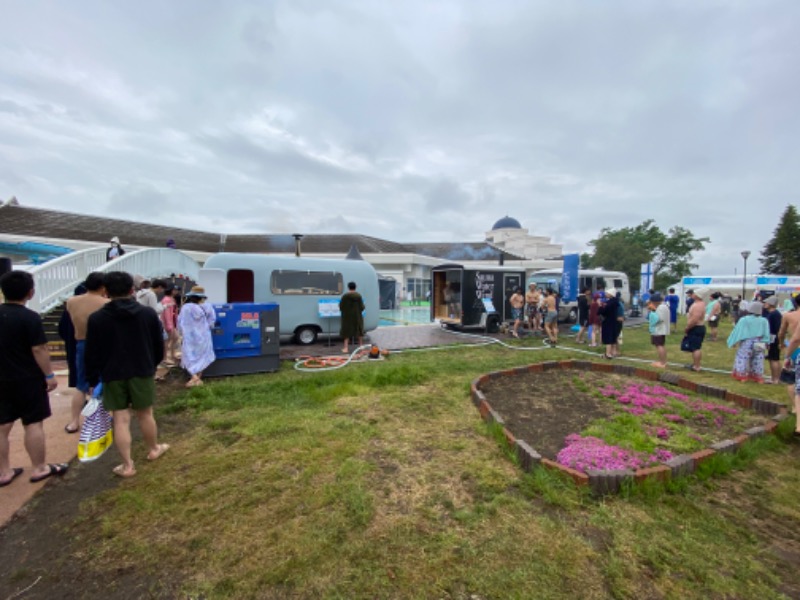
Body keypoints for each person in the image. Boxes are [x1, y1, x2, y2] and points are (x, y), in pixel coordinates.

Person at [85, 271, 168, 478]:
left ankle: (127, 465)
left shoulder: (96, 319)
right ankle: (153, 449)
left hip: (112, 373)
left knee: (120, 418)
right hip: (142, 369)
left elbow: (92, 352)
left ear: (106, 291)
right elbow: (158, 346)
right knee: (145, 413)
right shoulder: (148, 314)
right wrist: (153, 364)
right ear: (132, 290)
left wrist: (93, 378)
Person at [0, 271, 68, 486]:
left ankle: (4, 472)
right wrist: (49, 375)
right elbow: (39, 349)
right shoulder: (30, 318)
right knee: (33, 424)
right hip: (27, 379)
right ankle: (39, 468)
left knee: (2, 426)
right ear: (30, 292)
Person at [64, 272, 109, 434]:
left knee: (81, 385)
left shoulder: (71, 302)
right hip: (103, 345)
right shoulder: (107, 303)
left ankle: (74, 422)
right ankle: (103, 419)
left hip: (81, 343)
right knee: (106, 381)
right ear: (103, 287)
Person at [177, 286, 216, 388]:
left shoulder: (185, 308)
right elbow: (212, 321)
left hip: (190, 336)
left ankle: (194, 378)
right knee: (203, 356)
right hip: (204, 335)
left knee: (188, 356)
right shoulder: (207, 307)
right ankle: (198, 378)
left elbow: (180, 322)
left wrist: (180, 332)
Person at [727, 301, 770, 383]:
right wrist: (767, 342)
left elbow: (737, 331)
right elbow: (766, 332)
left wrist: (733, 341)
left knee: (742, 358)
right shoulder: (764, 320)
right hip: (759, 341)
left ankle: (742, 376)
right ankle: (758, 377)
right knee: (758, 359)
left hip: (747, 341)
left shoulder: (744, 320)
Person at [682, 288, 709, 372]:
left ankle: (697, 366)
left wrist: (688, 327)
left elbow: (695, 319)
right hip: (697, 327)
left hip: (696, 327)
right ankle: (695, 364)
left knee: (695, 347)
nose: (692, 294)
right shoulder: (699, 304)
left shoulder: (698, 305)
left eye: (694, 293)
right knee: (695, 347)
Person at [340, 281, 365, 353]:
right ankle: (361, 347)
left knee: (346, 332)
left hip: (347, 318)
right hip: (357, 317)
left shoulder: (345, 296)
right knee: (359, 332)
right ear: (355, 287)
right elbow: (362, 307)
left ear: (348, 287)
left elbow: (341, 307)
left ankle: (346, 348)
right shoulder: (359, 296)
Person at [763, 296, 783, 384]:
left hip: (773, 338)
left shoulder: (774, 314)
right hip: (775, 338)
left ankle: (775, 379)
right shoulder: (774, 314)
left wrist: (769, 341)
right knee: (775, 358)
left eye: (766, 303)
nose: (764, 304)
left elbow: (773, 329)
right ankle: (777, 378)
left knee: (773, 359)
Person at [648, 293, 670, 368]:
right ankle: (663, 361)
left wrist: (652, 312)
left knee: (659, 345)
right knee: (661, 345)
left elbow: (658, 319)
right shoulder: (665, 306)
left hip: (658, 330)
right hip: (662, 329)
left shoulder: (660, 307)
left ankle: (662, 363)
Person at [160, 284, 179, 365]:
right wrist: (169, 325)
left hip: (173, 322)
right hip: (168, 323)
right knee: (167, 341)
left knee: (174, 338)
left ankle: (171, 355)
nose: (176, 291)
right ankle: (165, 358)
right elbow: (167, 314)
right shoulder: (166, 300)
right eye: (175, 290)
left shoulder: (172, 299)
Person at [598, 292, 620, 359]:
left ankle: (608, 354)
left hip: (608, 322)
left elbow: (603, 311)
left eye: (607, 293)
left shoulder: (609, 303)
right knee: (613, 338)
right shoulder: (616, 302)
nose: (606, 294)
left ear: (611, 294)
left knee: (608, 338)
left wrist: (600, 306)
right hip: (614, 321)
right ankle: (613, 352)